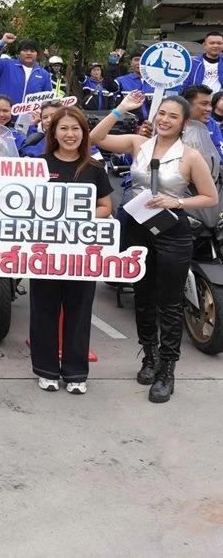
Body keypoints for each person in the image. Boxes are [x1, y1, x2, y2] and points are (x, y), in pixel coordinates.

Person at [90, 90, 217, 402]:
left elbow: (210, 197)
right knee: (143, 297)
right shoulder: (139, 143)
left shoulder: (190, 156)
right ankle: (149, 357)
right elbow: (95, 138)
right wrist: (121, 109)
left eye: (173, 116)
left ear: (184, 123)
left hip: (173, 231)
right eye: (162, 113)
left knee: (170, 303)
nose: (165, 120)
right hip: (138, 227)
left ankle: (167, 371)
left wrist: (177, 201)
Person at [29, 107, 113, 394]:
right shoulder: (38, 166)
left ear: (84, 133)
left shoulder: (94, 168)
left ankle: (76, 372)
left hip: (82, 253)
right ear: (53, 132)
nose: (70, 134)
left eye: (75, 128)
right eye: (63, 128)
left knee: (79, 310)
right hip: (44, 253)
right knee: (44, 311)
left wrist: (77, 217)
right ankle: (46, 370)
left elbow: (106, 207)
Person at [0, 33, 53, 105]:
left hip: (31, 113)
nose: (28, 53)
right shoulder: (7, 65)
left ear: (37, 54)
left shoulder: (44, 74)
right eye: (25, 50)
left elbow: (47, 101)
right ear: (19, 53)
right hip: (4, 112)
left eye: (32, 51)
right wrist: (2, 42)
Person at [182, 84, 223, 162]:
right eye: (204, 104)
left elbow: (220, 155)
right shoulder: (174, 122)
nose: (209, 109)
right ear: (187, 105)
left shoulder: (211, 124)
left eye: (210, 105)